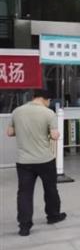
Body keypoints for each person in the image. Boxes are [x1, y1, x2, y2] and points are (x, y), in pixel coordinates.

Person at [6, 89, 66, 236]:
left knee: (24, 193)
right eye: (49, 101)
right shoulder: (48, 113)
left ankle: (24, 226)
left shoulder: (17, 111)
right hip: (45, 159)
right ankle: (53, 216)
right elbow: (54, 135)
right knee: (50, 188)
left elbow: (10, 132)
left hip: (24, 161)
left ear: (33, 98)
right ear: (46, 99)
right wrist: (53, 133)